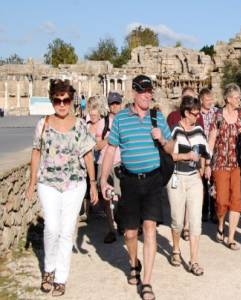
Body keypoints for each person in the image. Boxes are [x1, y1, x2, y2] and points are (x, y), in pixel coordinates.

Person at [100, 75, 173, 300]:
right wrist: (102, 180)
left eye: (150, 91)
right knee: (130, 232)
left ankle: (148, 282)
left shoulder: (157, 116)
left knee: (150, 229)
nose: (147, 95)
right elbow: (111, 150)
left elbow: (171, 148)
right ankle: (134, 263)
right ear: (133, 93)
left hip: (153, 181)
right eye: (143, 91)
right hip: (129, 181)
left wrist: (162, 139)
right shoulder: (121, 119)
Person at [26, 79, 98, 297]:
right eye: (57, 100)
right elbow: (36, 152)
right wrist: (31, 184)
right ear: (52, 101)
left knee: (67, 231)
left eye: (66, 100)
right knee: (52, 227)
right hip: (48, 183)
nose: (62, 104)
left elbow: (87, 154)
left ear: (71, 100)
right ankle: (48, 269)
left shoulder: (80, 125)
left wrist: (93, 184)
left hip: (75, 184)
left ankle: (60, 278)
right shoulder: (43, 124)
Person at [208, 83, 241, 250]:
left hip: (239, 164)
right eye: (236, 97)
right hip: (220, 163)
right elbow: (212, 141)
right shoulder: (218, 116)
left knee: (237, 199)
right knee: (221, 201)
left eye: (239, 97)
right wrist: (207, 163)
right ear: (228, 99)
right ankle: (221, 224)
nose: (239, 100)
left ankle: (231, 237)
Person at [167, 95, 211, 276]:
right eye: (195, 113)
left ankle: (194, 260)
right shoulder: (175, 130)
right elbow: (169, 156)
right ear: (186, 113)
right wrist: (186, 156)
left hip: (194, 179)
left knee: (195, 221)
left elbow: (206, 152)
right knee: (177, 220)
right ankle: (176, 250)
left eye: (199, 113)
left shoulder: (200, 130)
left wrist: (205, 166)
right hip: (177, 177)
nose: (198, 116)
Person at [95, 92, 123, 243]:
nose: (115, 106)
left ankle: (119, 221)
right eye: (112, 104)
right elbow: (98, 145)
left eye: (117, 103)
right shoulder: (102, 123)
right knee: (106, 198)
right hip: (103, 162)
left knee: (120, 196)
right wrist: (110, 138)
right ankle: (111, 229)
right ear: (109, 105)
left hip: (119, 162)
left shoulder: (126, 122)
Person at [199, 87, 218, 222]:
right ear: (201, 100)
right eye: (207, 99)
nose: (210, 102)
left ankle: (215, 211)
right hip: (201, 151)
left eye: (211, 99)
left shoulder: (216, 112)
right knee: (202, 182)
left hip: (214, 150)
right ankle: (204, 210)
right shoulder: (197, 113)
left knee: (214, 182)